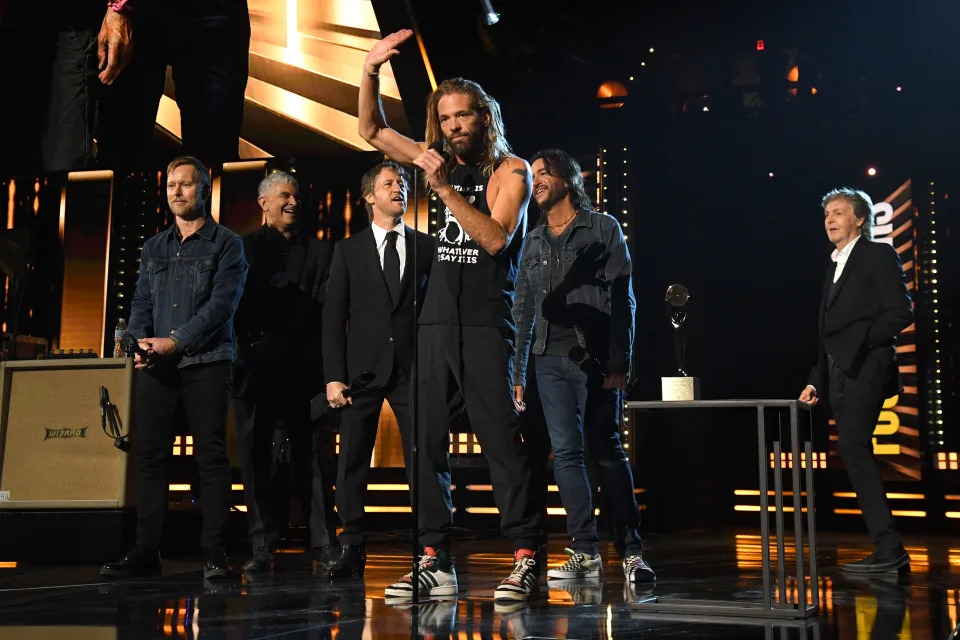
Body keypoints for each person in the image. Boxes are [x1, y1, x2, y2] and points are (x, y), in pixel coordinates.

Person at [358, 29, 546, 602]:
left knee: (502, 446)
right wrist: (368, 70)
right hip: (434, 324)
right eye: (445, 119)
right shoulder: (434, 158)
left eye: (464, 116)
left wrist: (442, 189)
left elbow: (494, 239)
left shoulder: (512, 171)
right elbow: (369, 129)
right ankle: (434, 558)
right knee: (426, 446)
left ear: (485, 118)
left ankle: (525, 555)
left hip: (488, 324)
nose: (454, 126)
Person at [100, 156, 247, 580]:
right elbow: (142, 302)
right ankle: (146, 550)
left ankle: (215, 553)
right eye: (170, 186)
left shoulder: (227, 244)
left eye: (185, 185)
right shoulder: (154, 247)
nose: (176, 192)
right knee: (150, 458)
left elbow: (223, 305)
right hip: (157, 364)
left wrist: (176, 340)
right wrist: (140, 342)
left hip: (207, 361)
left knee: (211, 457)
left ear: (203, 190)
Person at [513, 149, 655, 585]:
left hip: (594, 359)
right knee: (567, 455)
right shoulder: (532, 240)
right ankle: (584, 549)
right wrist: (518, 373)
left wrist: (619, 361)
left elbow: (623, 299)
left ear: (567, 178)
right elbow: (521, 310)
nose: (535, 180)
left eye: (542, 172)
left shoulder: (604, 228)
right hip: (547, 360)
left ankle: (631, 550)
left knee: (607, 448)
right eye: (531, 175)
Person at [323, 161, 433, 579]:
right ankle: (351, 545)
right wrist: (334, 375)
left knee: (422, 457)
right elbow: (333, 319)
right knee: (352, 458)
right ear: (370, 196)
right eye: (389, 183)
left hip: (413, 367)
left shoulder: (425, 247)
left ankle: (428, 546)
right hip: (360, 374)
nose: (399, 189)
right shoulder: (348, 250)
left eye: (402, 183)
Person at [799, 187, 913, 574]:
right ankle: (887, 547)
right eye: (827, 212)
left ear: (860, 219)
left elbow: (901, 312)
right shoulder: (833, 264)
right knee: (852, 451)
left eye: (839, 212)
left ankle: (889, 547)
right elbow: (825, 330)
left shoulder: (877, 254)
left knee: (853, 446)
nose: (830, 218)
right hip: (837, 374)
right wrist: (817, 378)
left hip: (868, 367)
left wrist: (862, 342)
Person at [231, 170, 337, 574]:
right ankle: (261, 545)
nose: (292, 202)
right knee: (257, 460)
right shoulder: (242, 250)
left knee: (312, 457)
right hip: (254, 369)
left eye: (296, 195)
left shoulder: (322, 252)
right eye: (284, 196)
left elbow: (329, 312)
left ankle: (324, 541)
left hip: (305, 369)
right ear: (263, 203)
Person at [96, 0, 250, 167]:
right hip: (138, 12)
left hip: (213, 11)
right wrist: (118, 7)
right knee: (123, 153)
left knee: (216, 154)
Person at [0, 1, 133, 172]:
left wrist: (119, 7)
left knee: (60, 159)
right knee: (17, 152)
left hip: (73, 23)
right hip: (19, 23)